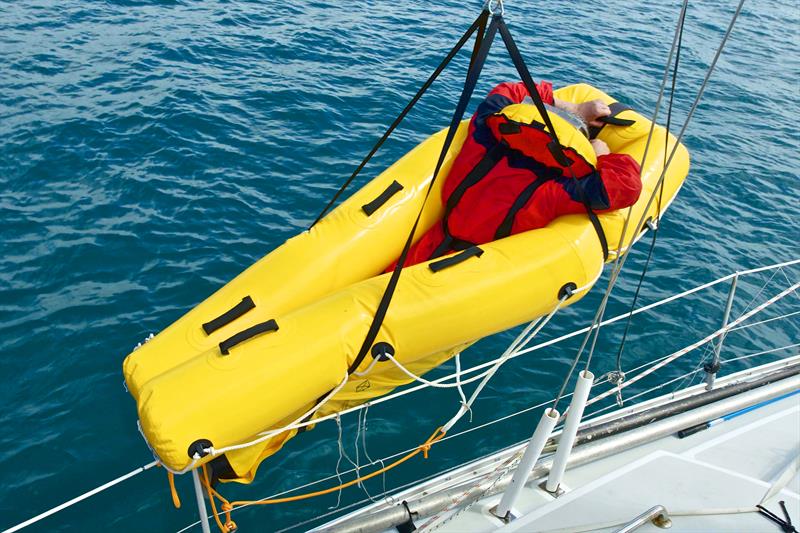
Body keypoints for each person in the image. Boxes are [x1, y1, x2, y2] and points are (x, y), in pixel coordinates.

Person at [391, 80, 643, 269]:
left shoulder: (484, 137)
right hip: (470, 270)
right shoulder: (555, 189)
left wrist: (574, 107)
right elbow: (625, 187)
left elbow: (508, 90)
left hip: (428, 244)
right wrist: (601, 154)